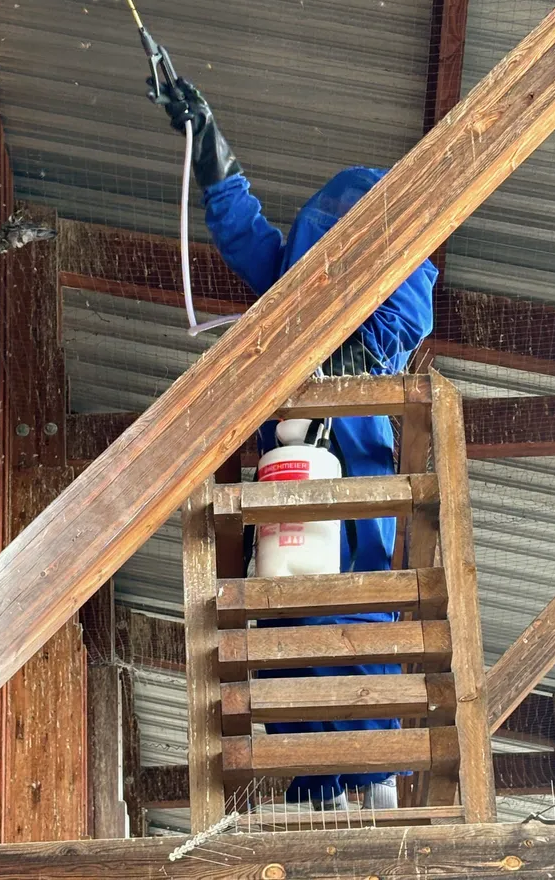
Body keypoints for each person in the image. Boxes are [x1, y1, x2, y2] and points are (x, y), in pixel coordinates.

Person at [157, 78, 438, 809]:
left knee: (351, 607)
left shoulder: (387, 297)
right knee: (289, 607)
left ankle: (373, 775)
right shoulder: (290, 285)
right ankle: (322, 782)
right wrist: (208, 147)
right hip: (292, 475)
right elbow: (243, 229)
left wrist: (353, 350)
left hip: (352, 477)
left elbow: (406, 311)